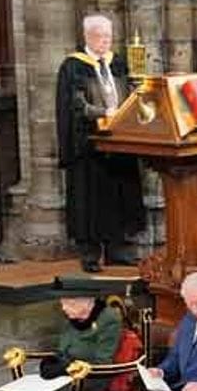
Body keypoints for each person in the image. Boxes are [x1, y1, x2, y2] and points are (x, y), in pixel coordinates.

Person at [55, 14, 143, 271]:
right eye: (102, 37)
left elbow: (131, 93)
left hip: (120, 142)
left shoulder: (118, 63)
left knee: (120, 195)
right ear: (88, 37)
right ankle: (90, 255)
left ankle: (119, 250)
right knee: (90, 201)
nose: (107, 42)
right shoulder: (73, 67)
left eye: (109, 37)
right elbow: (76, 105)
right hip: (89, 146)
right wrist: (103, 113)